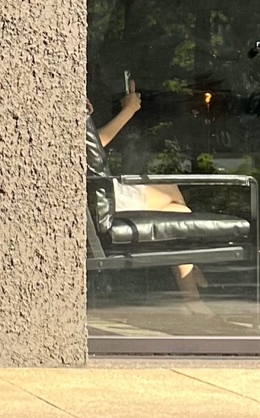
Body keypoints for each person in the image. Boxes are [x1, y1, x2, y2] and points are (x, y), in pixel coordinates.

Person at [87, 79, 205, 300]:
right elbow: (91, 146)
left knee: (180, 213)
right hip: (105, 196)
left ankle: (192, 296)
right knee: (171, 192)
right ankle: (191, 283)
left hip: (101, 192)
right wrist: (129, 110)